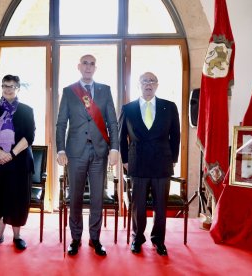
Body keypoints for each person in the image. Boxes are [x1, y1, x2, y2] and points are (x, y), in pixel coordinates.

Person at [56, 54, 119, 256]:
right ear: (78, 66)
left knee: (97, 198)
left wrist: (115, 148)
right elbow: (61, 124)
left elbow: (112, 122)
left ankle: (95, 238)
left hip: (100, 151)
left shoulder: (105, 90)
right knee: (74, 197)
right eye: (85, 63)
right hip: (75, 153)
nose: (88, 67)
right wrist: (61, 149)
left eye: (92, 64)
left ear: (95, 68)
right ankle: (75, 239)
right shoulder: (68, 91)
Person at [119, 72, 180, 256]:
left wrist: (173, 159)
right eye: (145, 81)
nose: (148, 84)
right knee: (138, 206)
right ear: (139, 84)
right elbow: (122, 137)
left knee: (161, 206)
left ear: (157, 85)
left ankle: (158, 240)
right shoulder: (128, 108)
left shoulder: (169, 107)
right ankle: (137, 239)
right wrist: (125, 161)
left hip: (162, 163)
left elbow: (175, 136)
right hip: (137, 163)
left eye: (152, 81)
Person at [0, 74, 35, 251]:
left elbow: (29, 137)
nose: (7, 89)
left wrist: (10, 154)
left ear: (18, 88)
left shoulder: (27, 110)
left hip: (18, 162)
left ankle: (17, 237)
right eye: (4, 86)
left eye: (11, 86)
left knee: (16, 199)